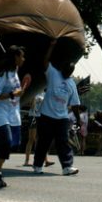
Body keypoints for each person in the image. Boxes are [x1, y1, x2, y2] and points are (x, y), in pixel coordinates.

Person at [32, 48, 80, 176]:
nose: (67, 73)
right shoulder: (53, 73)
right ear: (62, 69)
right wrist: (52, 45)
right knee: (43, 141)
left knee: (63, 142)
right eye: (66, 71)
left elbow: (75, 104)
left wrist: (78, 119)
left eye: (70, 72)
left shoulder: (71, 84)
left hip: (62, 118)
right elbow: (45, 61)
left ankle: (67, 167)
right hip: (46, 115)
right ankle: (37, 165)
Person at [0, 45, 30, 188]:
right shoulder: (4, 74)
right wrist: (13, 94)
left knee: (14, 143)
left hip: (12, 110)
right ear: (15, 57)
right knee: (6, 141)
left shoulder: (15, 71)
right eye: (22, 56)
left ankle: (0, 156)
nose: (23, 59)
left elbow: (15, 91)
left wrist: (20, 91)